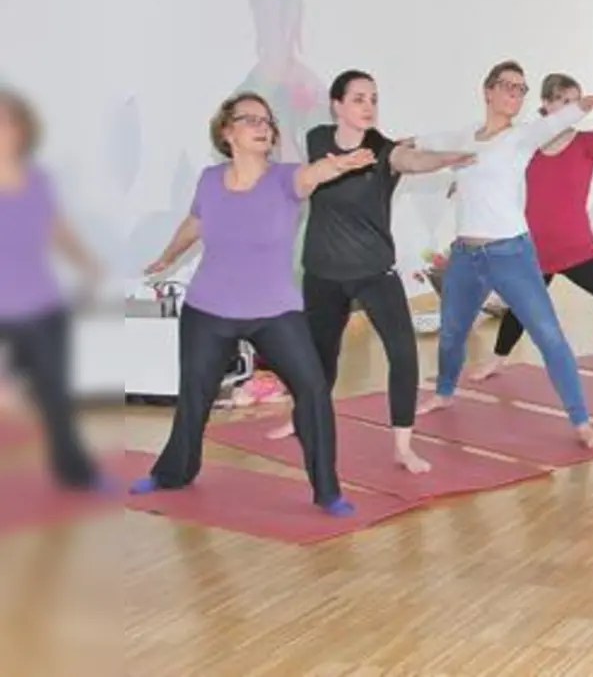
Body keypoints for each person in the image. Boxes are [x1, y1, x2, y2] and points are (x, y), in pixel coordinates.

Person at [136, 91, 372, 515]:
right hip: (208, 309)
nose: (263, 127)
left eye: (267, 121)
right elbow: (195, 222)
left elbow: (313, 174)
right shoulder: (210, 180)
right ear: (227, 132)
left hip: (274, 313)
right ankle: (173, 472)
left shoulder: (285, 179)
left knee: (313, 390)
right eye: (251, 120)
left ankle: (328, 491)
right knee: (194, 397)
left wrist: (338, 164)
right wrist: (167, 256)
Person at [262, 70, 476, 474]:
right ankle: (300, 417)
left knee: (403, 353)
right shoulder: (318, 140)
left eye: (374, 99)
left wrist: (445, 158)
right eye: (359, 98)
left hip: (374, 270)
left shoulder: (382, 149)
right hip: (323, 270)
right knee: (319, 357)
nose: (369, 107)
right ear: (337, 105)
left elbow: (411, 160)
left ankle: (403, 446)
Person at [412, 61, 593, 451]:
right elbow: (420, 143)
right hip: (465, 256)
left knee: (549, 336)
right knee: (452, 333)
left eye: (521, 89)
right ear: (487, 90)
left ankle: (582, 423)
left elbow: (558, 120)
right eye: (507, 85)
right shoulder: (463, 136)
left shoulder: (522, 137)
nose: (514, 93)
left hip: (511, 254)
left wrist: (589, 103)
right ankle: (443, 393)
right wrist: (386, 145)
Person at [466, 72, 593, 408]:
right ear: (546, 104)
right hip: (534, 250)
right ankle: (497, 361)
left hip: (578, 250)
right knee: (520, 309)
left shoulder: (585, 143)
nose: (571, 108)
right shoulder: (525, 146)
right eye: (563, 101)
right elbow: (490, 166)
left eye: (576, 102)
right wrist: (463, 183)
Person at [0, 87, 105, 492]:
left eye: (8, 121)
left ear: (22, 129)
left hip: (42, 305)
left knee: (55, 396)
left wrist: (88, 264)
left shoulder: (39, 180)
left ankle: (75, 473)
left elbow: (55, 228)